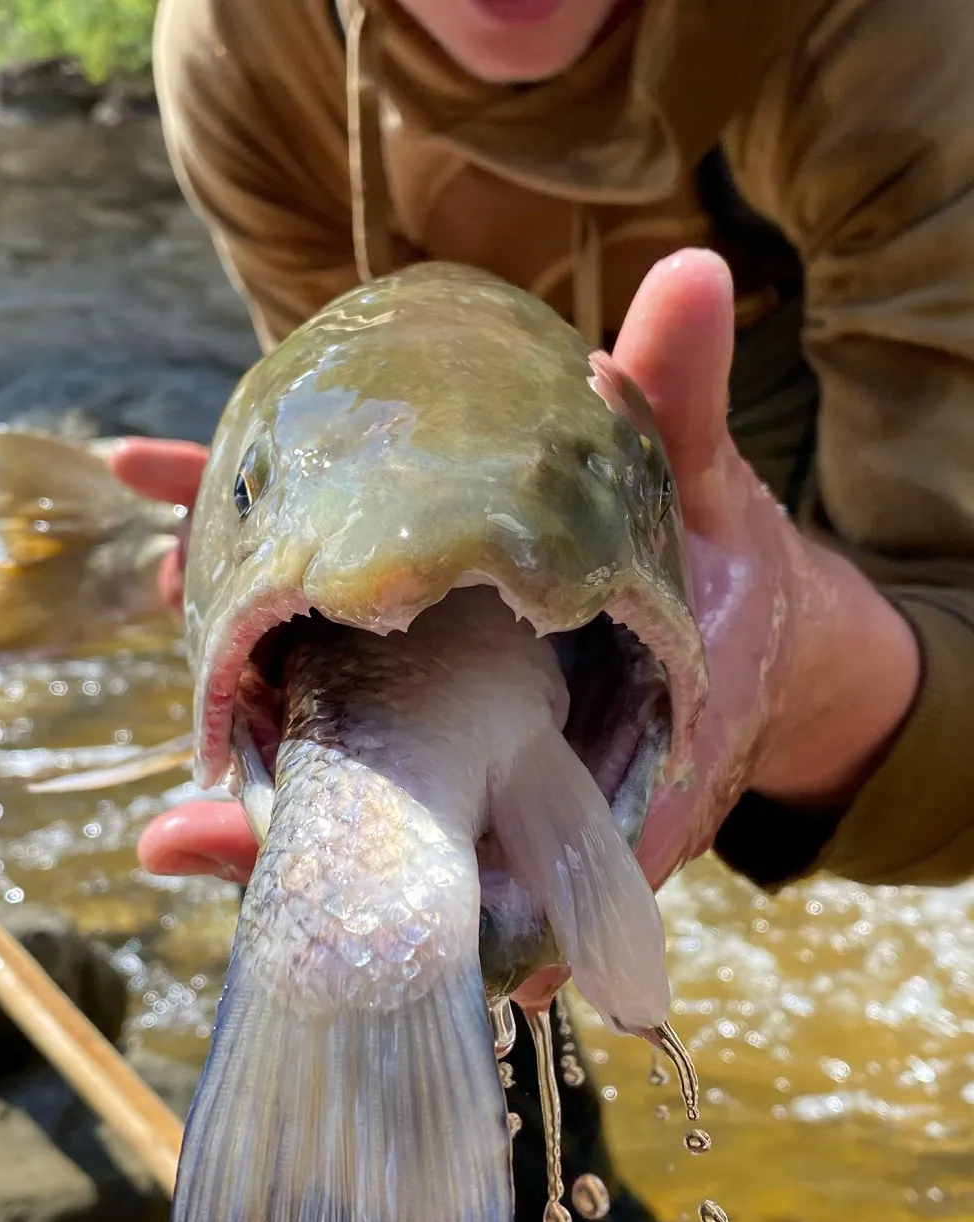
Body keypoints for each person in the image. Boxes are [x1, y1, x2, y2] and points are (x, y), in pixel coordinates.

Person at [109, 0, 974, 898]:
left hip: (785, 392)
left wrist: (801, 666)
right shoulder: (249, 43)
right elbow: (333, 421)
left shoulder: (905, 31)